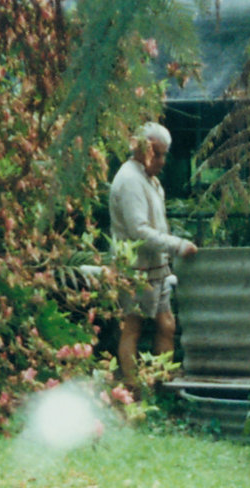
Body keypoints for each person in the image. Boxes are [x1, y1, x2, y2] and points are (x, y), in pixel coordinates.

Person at [108, 122, 197, 393]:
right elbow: (139, 231)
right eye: (156, 154)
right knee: (133, 328)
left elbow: (157, 225)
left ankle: (161, 384)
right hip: (135, 269)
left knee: (167, 325)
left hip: (157, 267)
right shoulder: (129, 180)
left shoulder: (151, 180)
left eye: (163, 154)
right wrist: (177, 245)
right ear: (140, 148)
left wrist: (169, 253)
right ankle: (133, 391)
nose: (161, 161)